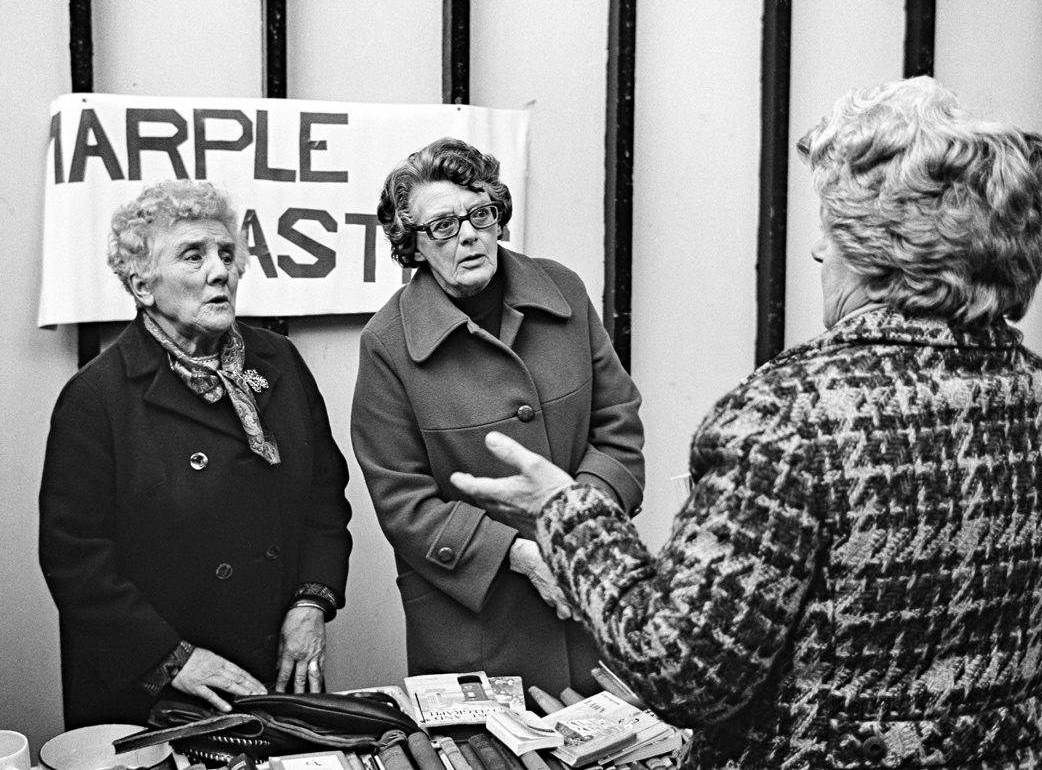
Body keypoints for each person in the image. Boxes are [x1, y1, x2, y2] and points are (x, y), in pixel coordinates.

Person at [450, 77, 1042, 769]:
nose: (816, 253)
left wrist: (564, 510)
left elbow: (682, 669)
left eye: (832, 231)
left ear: (879, 254)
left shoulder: (791, 414)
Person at [40, 179, 353, 728]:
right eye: (194, 255)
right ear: (142, 286)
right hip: (155, 687)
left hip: (273, 666)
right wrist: (170, 659)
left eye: (227, 254)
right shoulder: (97, 398)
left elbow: (325, 500)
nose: (220, 271)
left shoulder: (279, 362)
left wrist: (311, 605)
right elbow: (76, 559)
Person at [351, 137, 645, 698]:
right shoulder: (387, 345)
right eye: (442, 225)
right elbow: (402, 500)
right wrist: (522, 556)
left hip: (590, 602)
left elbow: (619, 423)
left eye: (480, 214)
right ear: (411, 245)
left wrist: (575, 532)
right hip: (477, 630)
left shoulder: (562, 290)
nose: (467, 234)